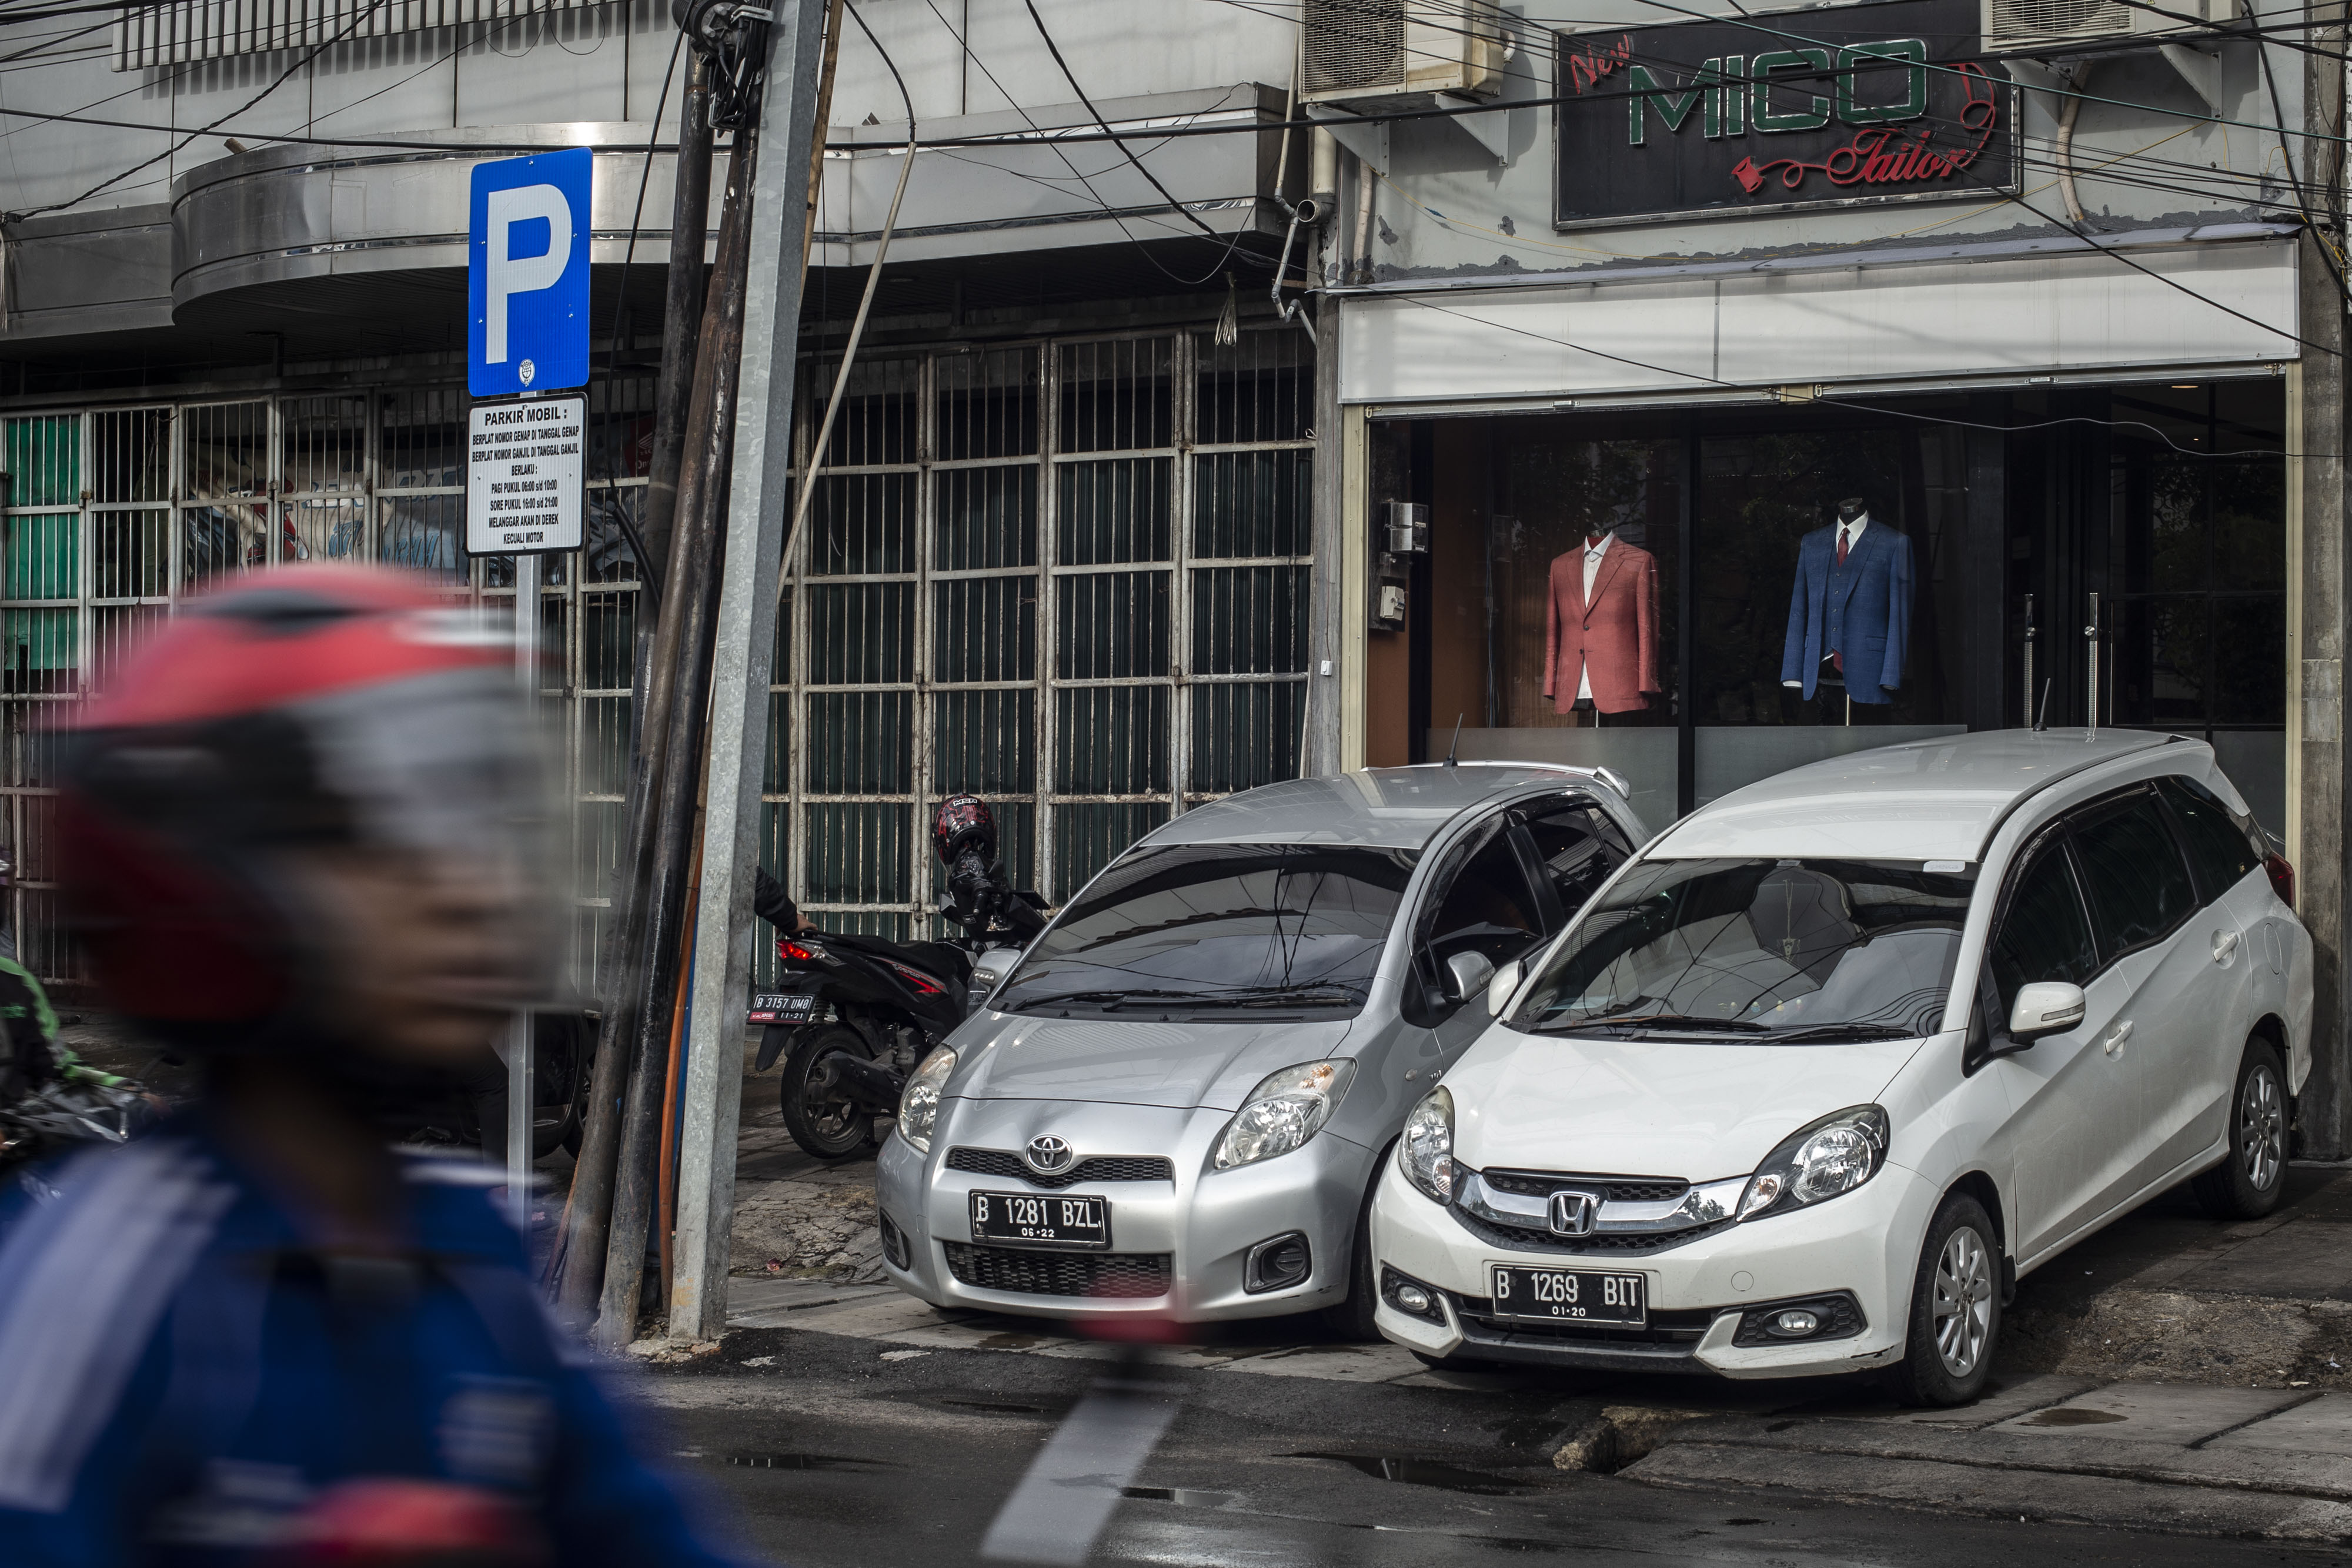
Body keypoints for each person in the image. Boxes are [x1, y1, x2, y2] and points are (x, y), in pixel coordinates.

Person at [0, 567, 743, 1566]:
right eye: (386, 838)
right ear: (208, 877)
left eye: (479, 829)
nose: (468, 889)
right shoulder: (107, 1289)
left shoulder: (478, 1252)